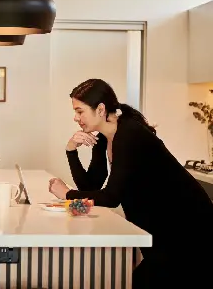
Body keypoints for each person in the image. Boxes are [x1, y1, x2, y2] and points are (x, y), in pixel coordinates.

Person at [49, 79, 213, 288]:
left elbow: (111, 197)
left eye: (80, 111)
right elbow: (91, 186)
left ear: (100, 109)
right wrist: (71, 150)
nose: (76, 118)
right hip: (164, 235)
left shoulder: (129, 134)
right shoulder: (104, 140)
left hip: (189, 234)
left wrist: (66, 195)